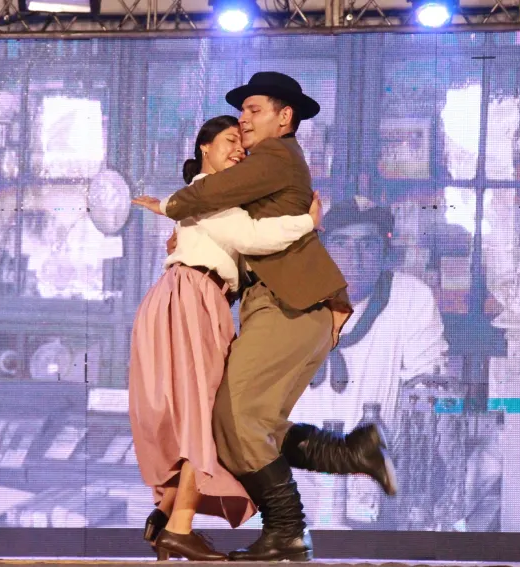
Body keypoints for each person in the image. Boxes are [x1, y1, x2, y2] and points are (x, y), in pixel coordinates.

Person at [143, 72, 398, 562]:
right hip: (284, 307)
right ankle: (352, 452)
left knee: (235, 418)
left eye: (254, 110)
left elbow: (217, 194)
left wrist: (170, 205)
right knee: (249, 423)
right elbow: (235, 228)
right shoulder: (266, 170)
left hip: (289, 305)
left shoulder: (275, 155)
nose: (244, 118)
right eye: (242, 112)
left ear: (285, 118)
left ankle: (286, 532)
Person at [128, 115, 325, 561]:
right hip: (194, 296)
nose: (239, 150)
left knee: (197, 414)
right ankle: (178, 527)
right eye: (230, 141)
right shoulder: (209, 193)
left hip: (189, 296)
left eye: (242, 145)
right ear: (205, 147)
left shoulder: (206, 197)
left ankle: (165, 516)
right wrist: (306, 223)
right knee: (204, 415)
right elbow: (252, 237)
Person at [289, 196, 448, 529]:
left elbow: (427, 389)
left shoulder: (410, 298)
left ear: (385, 251)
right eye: (341, 244)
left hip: (371, 471)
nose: (355, 257)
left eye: (368, 244)